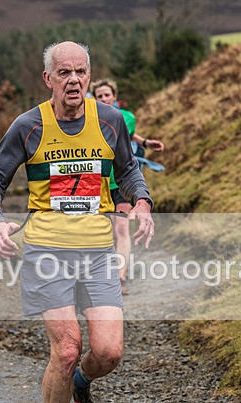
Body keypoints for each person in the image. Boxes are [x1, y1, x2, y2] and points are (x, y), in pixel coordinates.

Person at [0, 41, 155, 403]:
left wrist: (142, 201)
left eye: (80, 72)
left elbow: (128, 169)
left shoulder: (110, 120)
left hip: (97, 251)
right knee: (67, 347)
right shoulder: (28, 126)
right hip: (47, 251)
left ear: (89, 77)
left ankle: (82, 383)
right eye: (64, 72)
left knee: (108, 352)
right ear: (49, 79)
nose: (73, 80)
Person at [92, 78, 164, 295]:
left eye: (107, 95)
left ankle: (120, 277)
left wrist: (145, 143)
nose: (104, 98)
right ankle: (102, 273)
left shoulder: (127, 117)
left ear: (114, 96)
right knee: (104, 230)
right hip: (98, 183)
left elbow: (125, 135)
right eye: (99, 96)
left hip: (121, 183)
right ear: (94, 98)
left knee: (121, 228)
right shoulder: (86, 118)